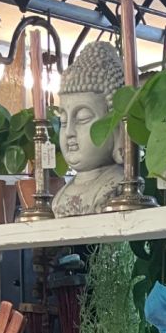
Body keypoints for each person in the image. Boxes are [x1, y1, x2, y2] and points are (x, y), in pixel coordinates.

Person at [52, 42, 126, 218]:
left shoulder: (117, 186)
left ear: (117, 127)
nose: (69, 132)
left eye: (82, 118)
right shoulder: (60, 196)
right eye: (63, 121)